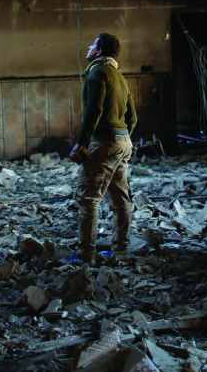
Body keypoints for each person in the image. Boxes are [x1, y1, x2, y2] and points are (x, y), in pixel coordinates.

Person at [68, 32, 137, 263]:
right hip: (123, 142)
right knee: (120, 200)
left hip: (104, 143)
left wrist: (82, 142)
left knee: (88, 198)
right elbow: (132, 117)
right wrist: (123, 139)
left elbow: (93, 111)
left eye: (92, 44)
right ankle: (121, 251)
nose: (88, 47)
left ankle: (85, 254)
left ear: (98, 51)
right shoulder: (120, 76)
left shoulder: (98, 72)